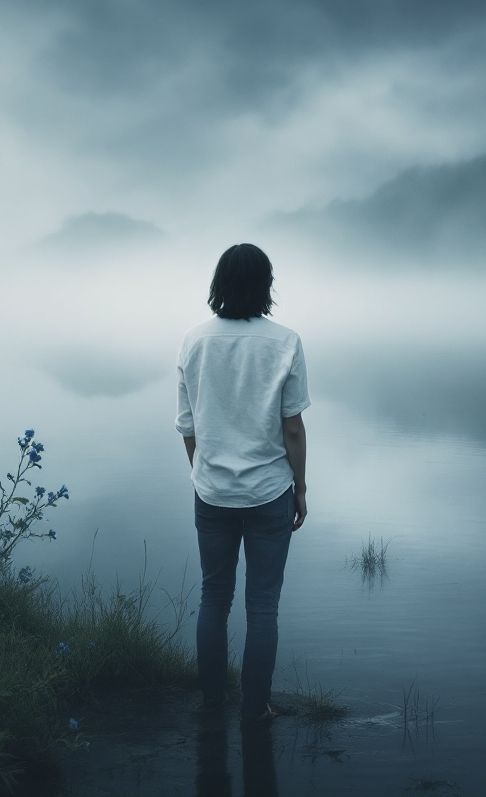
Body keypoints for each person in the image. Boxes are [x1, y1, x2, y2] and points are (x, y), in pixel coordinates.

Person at [175, 243, 310, 726]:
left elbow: (188, 426)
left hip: (211, 491)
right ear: (266, 283)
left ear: (219, 283)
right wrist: (301, 486)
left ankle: (213, 701)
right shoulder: (286, 341)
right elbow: (292, 427)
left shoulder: (194, 340)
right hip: (269, 491)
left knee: (214, 597)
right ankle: (256, 708)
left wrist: (203, 473)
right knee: (262, 607)